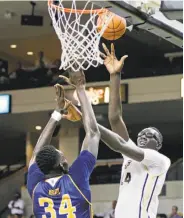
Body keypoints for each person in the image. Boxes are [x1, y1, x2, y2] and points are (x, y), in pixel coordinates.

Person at [61, 43, 171, 218]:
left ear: (158, 144)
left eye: (149, 135)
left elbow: (119, 144)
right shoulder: (130, 155)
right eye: (141, 134)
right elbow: (114, 118)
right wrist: (115, 75)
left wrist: (83, 111)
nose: (143, 136)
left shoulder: (160, 161)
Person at [27, 69, 100, 217]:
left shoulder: (35, 186)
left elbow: (37, 153)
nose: (66, 158)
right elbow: (93, 132)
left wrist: (57, 112)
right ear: (61, 164)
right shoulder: (76, 178)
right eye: (63, 156)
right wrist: (80, 89)